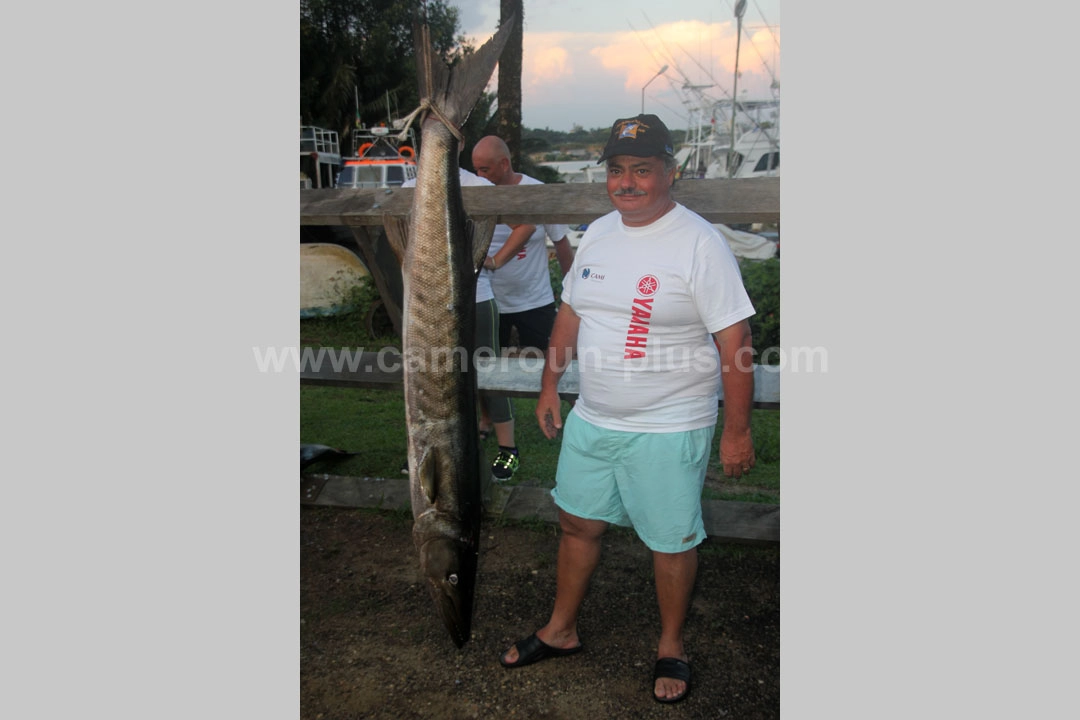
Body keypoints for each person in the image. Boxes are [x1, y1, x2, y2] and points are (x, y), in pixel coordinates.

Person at [497, 114, 758, 705]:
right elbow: (571, 313)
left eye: (643, 170)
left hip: (669, 425)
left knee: (670, 540)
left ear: (671, 172)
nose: (628, 182)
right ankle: (561, 629)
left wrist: (736, 431)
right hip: (594, 417)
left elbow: (734, 342)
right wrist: (548, 386)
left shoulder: (699, 243)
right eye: (617, 170)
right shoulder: (600, 234)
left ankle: (671, 644)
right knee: (578, 523)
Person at [400, 168, 534, 481]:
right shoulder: (409, 186)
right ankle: (426, 451)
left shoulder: (478, 185)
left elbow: (524, 224)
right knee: (425, 377)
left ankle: (508, 450)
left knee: (489, 374)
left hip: (476, 298)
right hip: (425, 305)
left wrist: (493, 261)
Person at [471, 136, 575, 357]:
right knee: (489, 371)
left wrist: (571, 291)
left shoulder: (537, 192)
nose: (479, 176)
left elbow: (562, 244)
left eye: (485, 169)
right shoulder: (475, 195)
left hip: (535, 300)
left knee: (547, 365)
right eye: (476, 170)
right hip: (490, 301)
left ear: (504, 164)